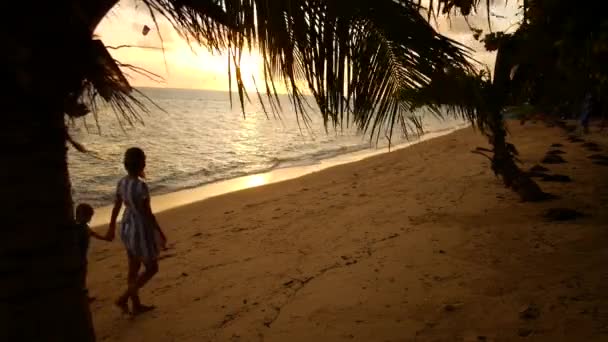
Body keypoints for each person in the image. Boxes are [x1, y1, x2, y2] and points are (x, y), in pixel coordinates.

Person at [107, 147, 167, 315]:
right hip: (140, 228)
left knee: (133, 267)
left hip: (127, 226)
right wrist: (159, 232)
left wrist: (112, 227)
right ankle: (123, 298)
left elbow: (116, 207)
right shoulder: (141, 187)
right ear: (142, 164)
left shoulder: (122, 182)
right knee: (152, 268)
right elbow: (147, 214)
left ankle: (136, 305)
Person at [74, 203, 110, 302]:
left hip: (82, 256)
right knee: (80, 277)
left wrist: (105, 238)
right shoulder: (77, 228)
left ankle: (83, 295)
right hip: (79, 257)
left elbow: (93, 233)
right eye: (88, 216)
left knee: (82, 276)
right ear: (80, 215)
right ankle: (82, 296)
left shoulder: (83, 226)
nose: (89, 219)